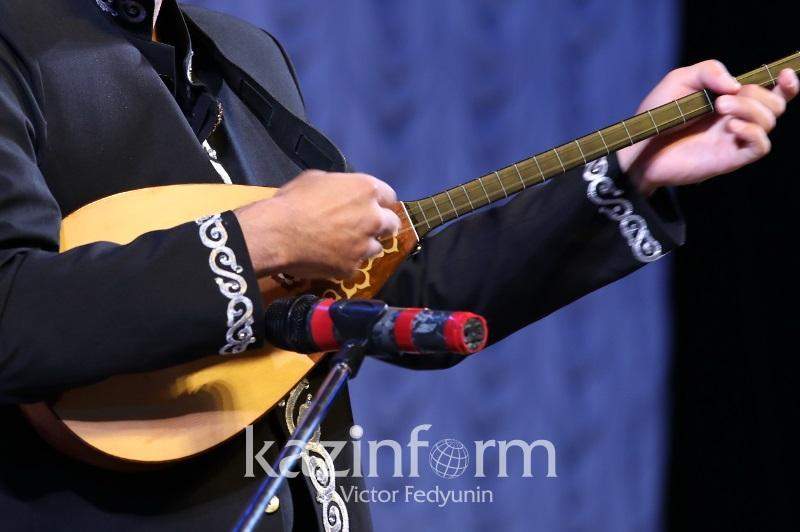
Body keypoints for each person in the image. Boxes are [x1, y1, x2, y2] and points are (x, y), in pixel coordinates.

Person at [0, 1, 796, 530]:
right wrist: (258, 241)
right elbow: (14, 317)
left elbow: (392, 286)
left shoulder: (242, 54)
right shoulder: (18, 40)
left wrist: (629, 169)